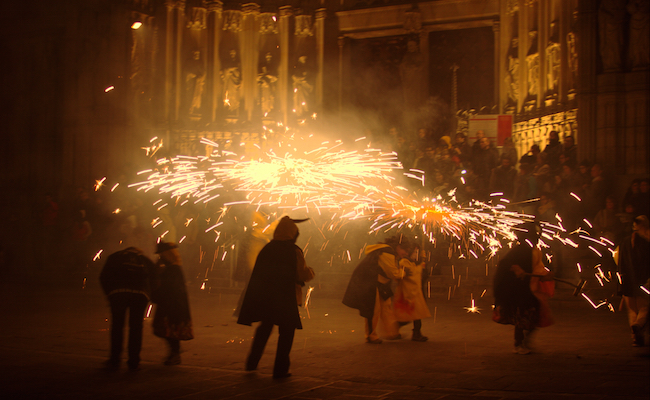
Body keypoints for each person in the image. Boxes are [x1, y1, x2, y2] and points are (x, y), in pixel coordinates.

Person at [237, 216, 315, 379]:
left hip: (266, 297)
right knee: (286, 332)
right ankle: (280, 370)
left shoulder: (268, 248)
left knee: (265, 328)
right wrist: (310, 273)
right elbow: (300, 273)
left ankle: (252, 363)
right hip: (286, 298)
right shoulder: (294, 250)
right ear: (293, 234)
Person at [492, 221, 554, 354]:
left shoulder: (535, 251)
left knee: (536, 314)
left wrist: (545, 275)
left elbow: (537, 267)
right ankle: (518, 344)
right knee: (522, 317)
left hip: (530, 288)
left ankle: (526, 340)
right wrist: (515, 268)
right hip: (518, 290)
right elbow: (505, 264)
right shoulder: (518, 250)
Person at [342, 235, 411, 344]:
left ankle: (391, 332)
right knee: (374, 310)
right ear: (398, 246)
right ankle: (370, 336)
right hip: (370, 283)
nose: (406, 253)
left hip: (379, 283)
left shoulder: (387, 251)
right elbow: (393, 273)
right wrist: (404, 272)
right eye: (405, 250)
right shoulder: (387, 252)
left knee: (386, 306)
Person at [99, 247, 155, 370]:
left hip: (118, 294)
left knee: (117, 327)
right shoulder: (144, 259)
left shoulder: (115, 257)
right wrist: (149, 296)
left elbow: (103, 276)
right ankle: (134, 360)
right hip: (140, 295)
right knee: (136, 327)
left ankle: (115, 359)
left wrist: (110, 293)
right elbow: (155, 277)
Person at [151, 242, 193, 365]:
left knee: (170, 330)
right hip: (168, 303)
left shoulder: (173, 268)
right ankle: (175, 352)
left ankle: (175, 353)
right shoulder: (169, 266)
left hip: (172, 305)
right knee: (165, 329)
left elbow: (171, 288)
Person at [615, 215, 650, 347]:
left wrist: (621, 283)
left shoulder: (624, 241)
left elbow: (618, 261)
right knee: (644, 309)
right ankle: (638, 326)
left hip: (628, 282)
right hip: (643, 282)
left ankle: (636, 338)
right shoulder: (647, 242)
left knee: (632, 311)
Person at [393, 244, 431, 341]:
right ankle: (394, 328)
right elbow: (401, 275)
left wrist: (423, 267)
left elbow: (423, 276)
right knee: (409, 316)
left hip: (417, 293)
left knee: (417, 316)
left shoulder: (416, 263)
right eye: (414, 252)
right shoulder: (404, 262)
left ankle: (416, 333)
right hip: (408, 293)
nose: (415, 254)